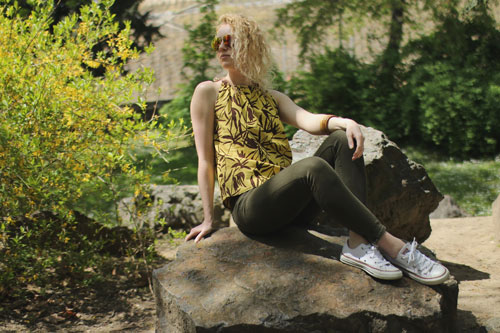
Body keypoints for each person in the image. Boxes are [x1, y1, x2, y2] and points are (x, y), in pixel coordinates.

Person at [185, 14, 449, 285]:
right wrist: (208, 219)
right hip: (252, 208)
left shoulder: (271, 97)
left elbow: (308, 120)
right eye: (218, 40)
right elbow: (205, 161)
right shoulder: (209, 92)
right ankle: (391, 245)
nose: (221, 46)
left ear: (249, 45)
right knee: (312, 167)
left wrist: (345, 122)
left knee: (340, 138)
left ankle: (358, 245)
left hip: (290, 206)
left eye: (229, 39)